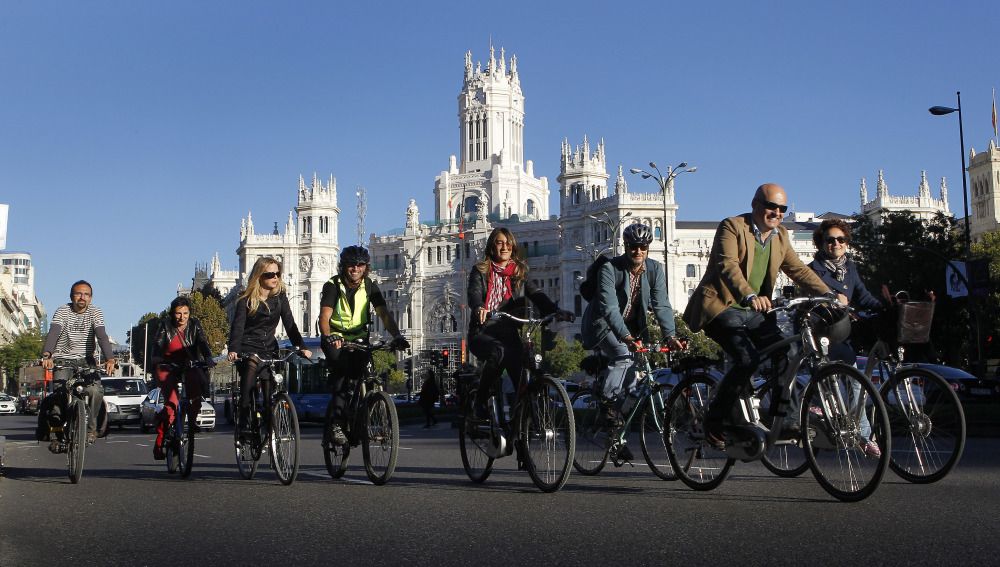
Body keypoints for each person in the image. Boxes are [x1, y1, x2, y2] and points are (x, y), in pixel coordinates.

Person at [683, 183, 833, 447]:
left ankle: (783, 420)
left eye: (782, 209)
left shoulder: (780, 236)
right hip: (722, 307)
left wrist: (829, 295)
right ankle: (715, 421)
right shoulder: (732, 226)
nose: (776, 212)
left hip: (756, 312)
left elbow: (799, 270)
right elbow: (727, 265)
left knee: (785, 353)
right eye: (770, 206)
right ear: (755, 205)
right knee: (746, 359)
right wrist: (749, 295)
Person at [580, 223, 685, 424]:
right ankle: (607, 403)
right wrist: (626, 337)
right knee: (623, 355)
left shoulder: (655, 269)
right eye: (633, 246)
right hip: (603, 325)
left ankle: (617, 434)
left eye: (643, 247)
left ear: (648, 248)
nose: (638, 251)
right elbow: (609, 309)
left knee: (631, 383)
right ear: (625, 246)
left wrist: (670, 335)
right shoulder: (610, 269)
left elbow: (661, 304)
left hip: (632, 328)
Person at [467, 227, 574, 419]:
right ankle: (480, 401)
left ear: (513, 247)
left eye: (508, 244)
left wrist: (556, 311)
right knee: (498, 351)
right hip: (483, 332)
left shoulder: (518, 273)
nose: (504, 247)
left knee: (523, 370)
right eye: (499, 243)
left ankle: (523, 425)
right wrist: (478, 308)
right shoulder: (480, 270)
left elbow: (536, 294)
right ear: (492, 247)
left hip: (509, 333)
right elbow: (474, 293)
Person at [808, 219, 885, 458]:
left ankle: (860, 435)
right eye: (830, 240)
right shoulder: (812, 270)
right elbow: (811, 294)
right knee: (845, 382)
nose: (836, 244)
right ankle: (859, 433)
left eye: (841, 239)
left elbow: (863, 296)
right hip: (820, 335)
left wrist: (886, 306)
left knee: (857, 383)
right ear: (821, 243)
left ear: (847, 243)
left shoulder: (849, 268)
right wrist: (832, 298)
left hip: (842, 335)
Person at [319, 245, 409, 446]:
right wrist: (329, 336)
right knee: (342, 375)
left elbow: (383, 313)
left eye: (360, 265)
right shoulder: (333, 285)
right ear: (344, 266)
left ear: (365, 267)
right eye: (351, 265)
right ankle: (336, 424)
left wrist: (397, 336)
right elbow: (324, 316)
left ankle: (367, 418)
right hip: (336, 338)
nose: (355, 269)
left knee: (367, 374)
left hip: (360, 339)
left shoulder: (369, 285)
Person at [227, 257, 312, 433]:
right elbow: (238, 326)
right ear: (259, 276)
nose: (275, 277)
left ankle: (270, 428)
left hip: (269, 348)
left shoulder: (280, 298)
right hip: (247, 347)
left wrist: (301, 346)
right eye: (270, 274)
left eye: (277, 273)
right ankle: (243, 421)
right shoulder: (246, 300)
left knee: (269, 393)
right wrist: (233, 349)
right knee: (249, 374)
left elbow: (290, 324)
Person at [39, 280, 116, 448]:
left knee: (96, 390)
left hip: (86, 359)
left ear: (91, 298)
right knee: (60, 392)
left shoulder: (95, 312)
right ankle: (57, 430)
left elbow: (101, 335)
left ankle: (90, 429)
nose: (82, 297)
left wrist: (110, 358)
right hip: (62, 359)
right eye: (78, 294)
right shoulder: (62, 311)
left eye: (86, 294)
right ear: (71, 296)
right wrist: (47, 354)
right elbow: (54, 332)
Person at [148, 296, 215, 460]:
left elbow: (202, 342)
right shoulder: (165, 325)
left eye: (185, 313)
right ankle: (161, 439)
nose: (182, 317)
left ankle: (190, 426)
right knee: (171, 405)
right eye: (178, 313)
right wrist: (156, 358)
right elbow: (157, 344)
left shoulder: (195, 324)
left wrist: (208, 357)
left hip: (189, 365)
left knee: (196, 398)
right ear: (172, 313)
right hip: (167, 366)